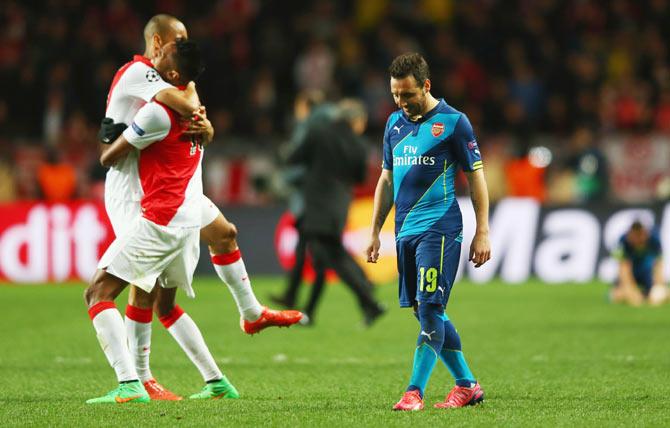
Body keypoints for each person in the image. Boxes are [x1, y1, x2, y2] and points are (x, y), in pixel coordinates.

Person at [98, 14, 302, 400]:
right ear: (158, 44)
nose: (182, 46)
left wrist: (205, 128)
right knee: (147, 290)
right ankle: (145, 379)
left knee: (202, 253)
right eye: (177, 41)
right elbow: (185, 98)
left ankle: (156, 379)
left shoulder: (165, 86)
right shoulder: (138, 73)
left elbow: (187, 102)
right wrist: (197, 114)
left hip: (168, 196)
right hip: (134, 188)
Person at [84, 40, 237, 404]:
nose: (154, 58)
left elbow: (108, 157)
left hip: (159, 222)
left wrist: (111, 134)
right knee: (161, 304)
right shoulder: (197, 116)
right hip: (185, 222)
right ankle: (215, 381)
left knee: (98, 293)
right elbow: (189, 102)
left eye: (162, 56)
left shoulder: (156, 114)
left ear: (170, 74)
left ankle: (130, 384)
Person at [365, 53, 491, 411]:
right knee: (423, 310)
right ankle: (467, 384)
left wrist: (483, 230)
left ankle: (414, 391)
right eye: (395, 95)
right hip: (405, 231)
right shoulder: (393, 124)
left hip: (440, 228)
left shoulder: (454, 122)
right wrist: (376, 231)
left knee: (432, 306)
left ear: (426, 85)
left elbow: (476, 176)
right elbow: (387, 179)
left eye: (408, 95)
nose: (401, 103)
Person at [283, 98, 385, 326]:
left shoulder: (318, 132)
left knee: (332, 255)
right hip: (339, 206)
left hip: (316, 204)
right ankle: (364, 302)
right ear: (356, 121)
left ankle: (368, 298)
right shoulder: (360, 146)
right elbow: (360, 178)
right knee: (324, 256)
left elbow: (293, 158)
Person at [611, 221, 669, 306]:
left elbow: (658, 266)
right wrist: (630, 290)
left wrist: (659, 286)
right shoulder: (623, 241)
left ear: (645, 234)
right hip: (631, 271)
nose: (638, 240)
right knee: (616, 296)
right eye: (635, 236)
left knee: (657, 295)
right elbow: (623, 268)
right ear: (630, 235)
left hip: (646, 272)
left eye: (640, 236)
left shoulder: (654, 239)